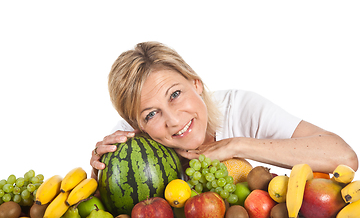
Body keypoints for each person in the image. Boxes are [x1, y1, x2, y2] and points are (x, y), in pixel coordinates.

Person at [90, 41, 358, 180]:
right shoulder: (126, 143)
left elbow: (344, 156)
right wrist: (99, 177)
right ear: (136, 125)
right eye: (151, 114)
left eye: (175, 94)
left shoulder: (240, 107)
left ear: (196, 84)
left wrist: (237, 146)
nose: (173, 120)